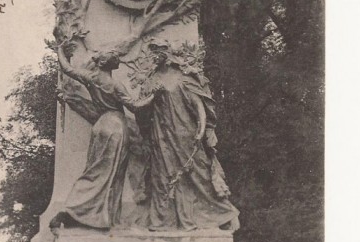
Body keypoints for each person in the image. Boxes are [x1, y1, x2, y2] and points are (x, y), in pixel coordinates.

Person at [136, 40, 240, 232]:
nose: (155, 56)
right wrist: (151, 97)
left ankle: (222, 214)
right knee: (162, 176)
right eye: (154, 53)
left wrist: (202, 128)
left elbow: (198, 104)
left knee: (195, 174)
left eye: (159, 53)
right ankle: (161, 221)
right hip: (161, 136)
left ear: (168, 56)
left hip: (185, 134)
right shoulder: (151, 80)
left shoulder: (182, 78)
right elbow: (141, 111)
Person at [49, 47, 157, 231]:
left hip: (100, 125)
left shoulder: (91, 78)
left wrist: (60, 50)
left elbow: (67, 68)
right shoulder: (115, 85)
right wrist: (154, 95)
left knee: (95, 170)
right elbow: (135, 107)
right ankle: (78, 211)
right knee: (112, 173)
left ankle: (101, 217)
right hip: (115, 127)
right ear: (111, 65)